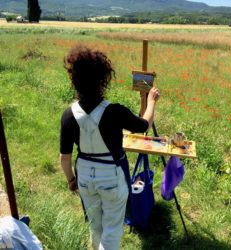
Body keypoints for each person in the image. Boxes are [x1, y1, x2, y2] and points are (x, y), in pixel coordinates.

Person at [60, 44, 160, 250]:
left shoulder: (68, 115)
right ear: (103, 78)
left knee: (94, 225)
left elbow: (65, 158)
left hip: (85, 177)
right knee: (112, 230)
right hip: (112, 176)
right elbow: (143, 125)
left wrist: (71, 180)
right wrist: (151, 102)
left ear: (74, 79)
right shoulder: (115, 111)